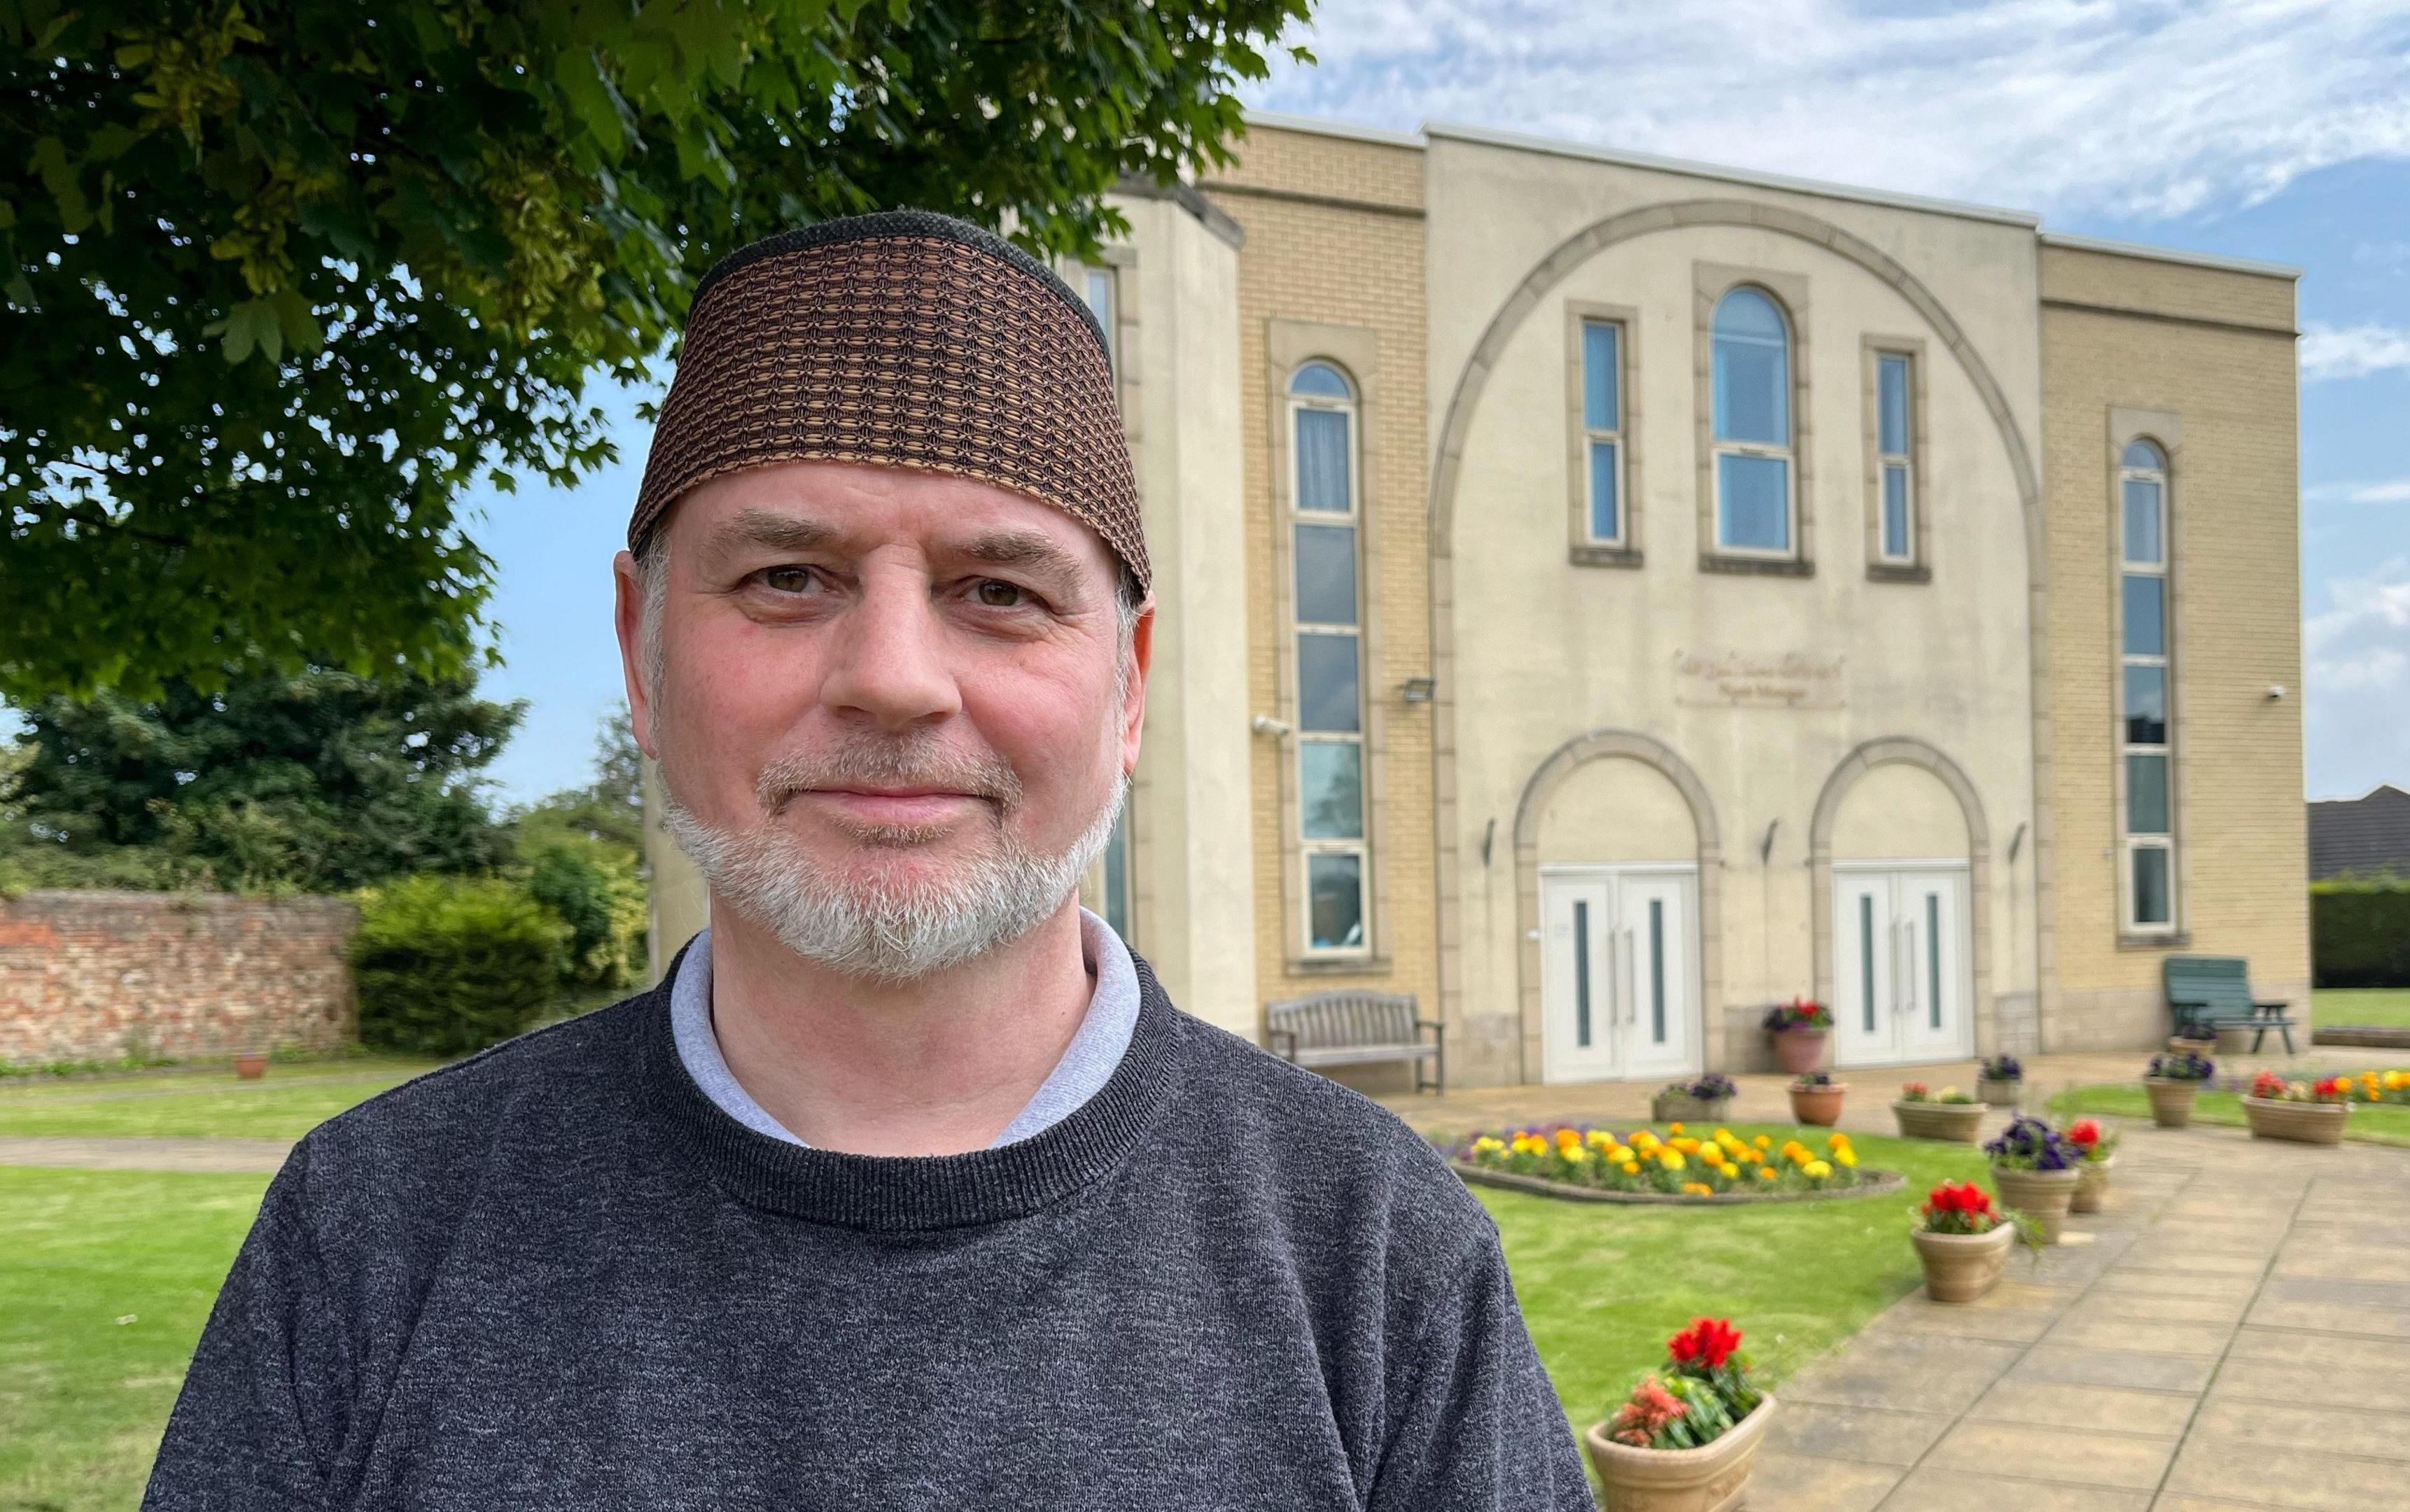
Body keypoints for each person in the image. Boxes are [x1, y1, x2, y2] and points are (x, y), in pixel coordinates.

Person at [143, 209, 1592, 1509]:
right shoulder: (373, 1233)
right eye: (789, 579)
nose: (895, 679)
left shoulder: (1382, 1258)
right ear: (641, 659)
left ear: (1131, 686)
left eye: (1001, 591)